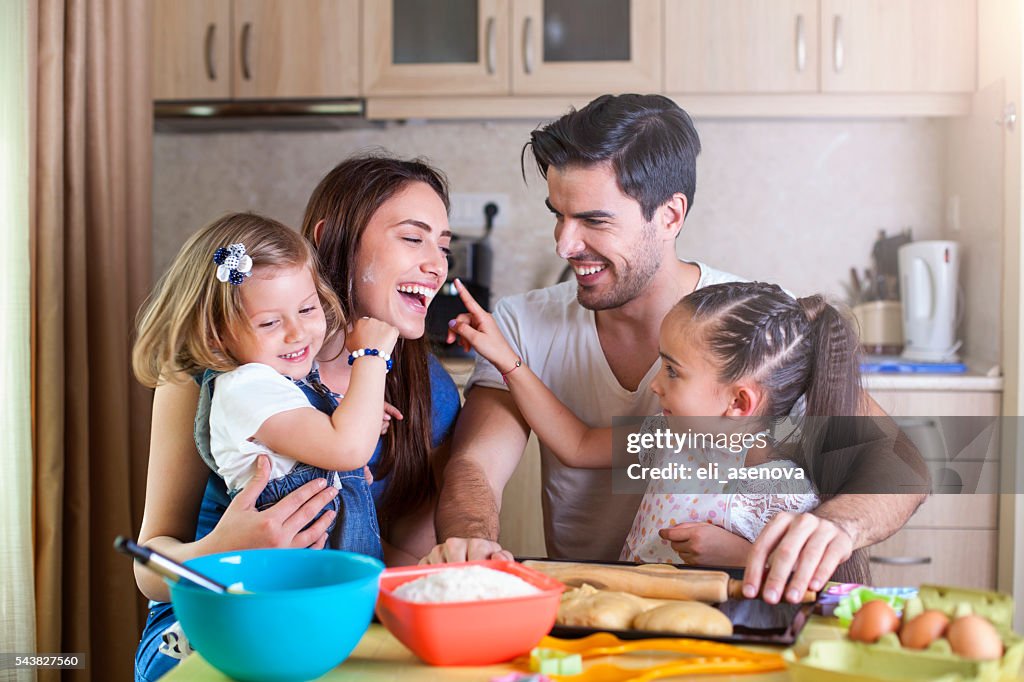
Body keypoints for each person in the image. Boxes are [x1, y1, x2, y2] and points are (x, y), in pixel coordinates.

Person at [427, 93, 927, 606]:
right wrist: (472, 540)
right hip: (594, 603)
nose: (563, 244)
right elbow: (477, 467)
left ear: (669, 215)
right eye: (558, 215)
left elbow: (902, 462)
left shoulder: (753, 334)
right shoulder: (519, 322)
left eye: (594, 221)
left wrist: (834, 529)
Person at [132, 155, 458, 682]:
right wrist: (222, 549)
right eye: (413, 239)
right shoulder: (210, 376)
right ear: (333, 239)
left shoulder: (429, 391)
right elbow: (149, 566)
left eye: (444, 245)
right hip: (213, 616)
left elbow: (396, 562)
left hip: (336, 620)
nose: (437, 264)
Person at [446, 277, 875, 569]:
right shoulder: (669, 437)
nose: (654, 385)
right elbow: (574, 444)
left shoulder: (788, 485)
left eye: (672, 371)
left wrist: (742, 556)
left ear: (739, 401)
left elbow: (807, 580)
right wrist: (506, 358)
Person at [134, 212, 400, 562]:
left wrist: (346, 423)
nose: (297, 333)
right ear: (217, 335)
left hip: (321, 584)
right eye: (270, 322)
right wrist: (371, 356)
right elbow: (348, 448)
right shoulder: (245, 386)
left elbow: (334, 446)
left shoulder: (283, 383)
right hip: (260, 589)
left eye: (307, 308)